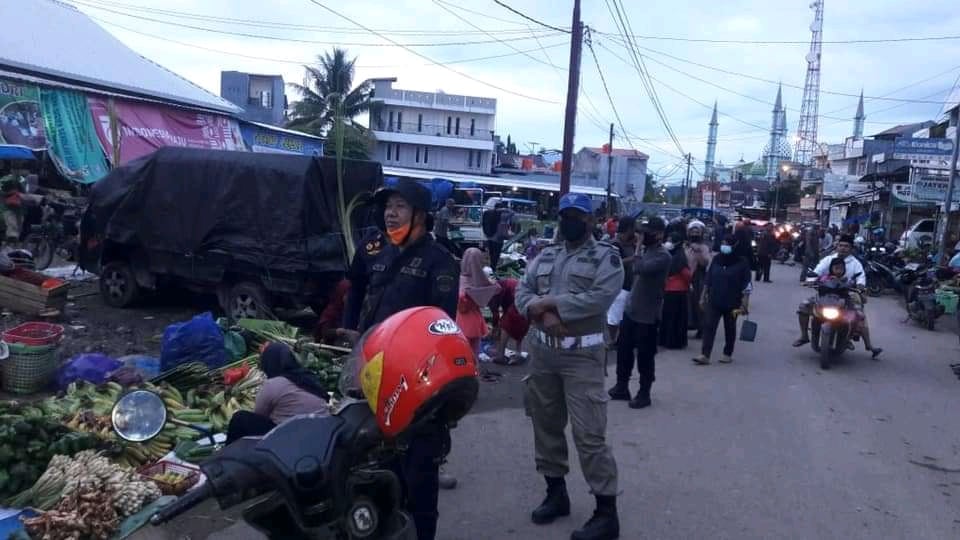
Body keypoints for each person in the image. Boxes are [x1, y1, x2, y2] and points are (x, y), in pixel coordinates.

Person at [339, 178, 460, 539]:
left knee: (418, 473)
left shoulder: (440, 261)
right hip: (372, 374)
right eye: (388, 206)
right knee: (376, 464)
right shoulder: (374, 248)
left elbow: (442, 325)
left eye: (400, 206)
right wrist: (352, 330)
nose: (390, 213)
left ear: (420, 214)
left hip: (416, 381)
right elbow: (356, 289)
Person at [516, 192, 623, 540]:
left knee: (589, 434)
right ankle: (556, 493)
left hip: (582, 357)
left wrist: (551, 303)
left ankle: (606, 513)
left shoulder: (605, 257)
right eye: (564, 215)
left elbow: (600, 298)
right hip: (543, 353)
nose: (568, 222)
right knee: (545, 425)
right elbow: (522, 292)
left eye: (576, 215)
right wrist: (542, 314)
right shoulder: (547, 254)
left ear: (590, 220)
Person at [608, 217, 671, 410]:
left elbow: (639, 268)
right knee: (624, 350)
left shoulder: (663, 256)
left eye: (648, 233)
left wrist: (637, 248)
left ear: (659, 235)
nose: (643, 236)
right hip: (631, 309)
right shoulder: (647, 251)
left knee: (645, 355)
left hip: (648, 314)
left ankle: (644, 393)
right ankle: (622, 386)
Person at [793, 234, 883, 358]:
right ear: (837, 246)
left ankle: (865, 343)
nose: (843, 248)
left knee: (859, 315)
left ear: (851, 248)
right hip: (826, 294)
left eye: (846, 246)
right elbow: (816, 272)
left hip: (847, 294)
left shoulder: (856, 263)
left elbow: (860, 278)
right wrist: (810, 280)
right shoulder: (828, 259)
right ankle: (804, 336)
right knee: (804, 306)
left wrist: (860, 286)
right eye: (841, 245)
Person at [226, 343, 328, 443]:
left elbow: (260, 414)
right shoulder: (309, 377)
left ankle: (231, 452)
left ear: (268, 363)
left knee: (240, 418)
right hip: (323, 433)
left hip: (295, 438)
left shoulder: (272, 384)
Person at [692, 234, 752, 365]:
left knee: (730, 328)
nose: (724, 246)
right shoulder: (717, 259)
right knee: (709, 326)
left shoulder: (742, 262)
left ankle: (727, 353)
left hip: (733, 301)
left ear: (735, 246)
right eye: (723, 243)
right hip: (714, 299)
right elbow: (709, 278)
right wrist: (702, 296)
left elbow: (747, 283)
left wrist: (745, 301)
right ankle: (705, 354)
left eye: (727, 244)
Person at [456, 247, 500, 357]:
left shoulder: (460, 277)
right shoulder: (483, 276)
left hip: (460, 318)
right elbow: (497, 288)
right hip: (474, 317)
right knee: (473, 349)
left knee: (463, 348)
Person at [606, 217, 638, 346]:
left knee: (624, 315)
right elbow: (613, 264)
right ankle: (611, 340)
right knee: (614, 315)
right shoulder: (615, 244)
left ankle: (619, 339)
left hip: (629, 284)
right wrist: (632, 259)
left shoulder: (630, 244)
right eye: (633, 227)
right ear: (629, 228)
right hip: (619, 285)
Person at [488, 272, 530, 365]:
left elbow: (495, 311)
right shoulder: (502, 283)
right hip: (524, 300)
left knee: (505, 325)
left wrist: (495, 327)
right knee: (521, 325)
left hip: (519, 300)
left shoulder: (495, 290)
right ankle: (518, 353)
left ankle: (501, 356)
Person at [659, 232, 692, 350]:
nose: (668, 242)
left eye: (671, 240)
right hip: (678, 290)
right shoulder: (678, 255)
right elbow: (687, 275)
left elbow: (685, 274)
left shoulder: (675, 256)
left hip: (672, 290)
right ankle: (674, 341)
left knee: (669, 317)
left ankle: (666, 340)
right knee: (676, 318)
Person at [685, 220, 712, 338]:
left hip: (698, 277)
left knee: (698, 303)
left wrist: (698, 251)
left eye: (697, 232)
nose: (694, 234)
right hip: (684, 276)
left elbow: (706, 263)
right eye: (692, 231)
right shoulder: (685, 245)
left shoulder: (704, 247)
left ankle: (701, 328)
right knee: (686, 303)